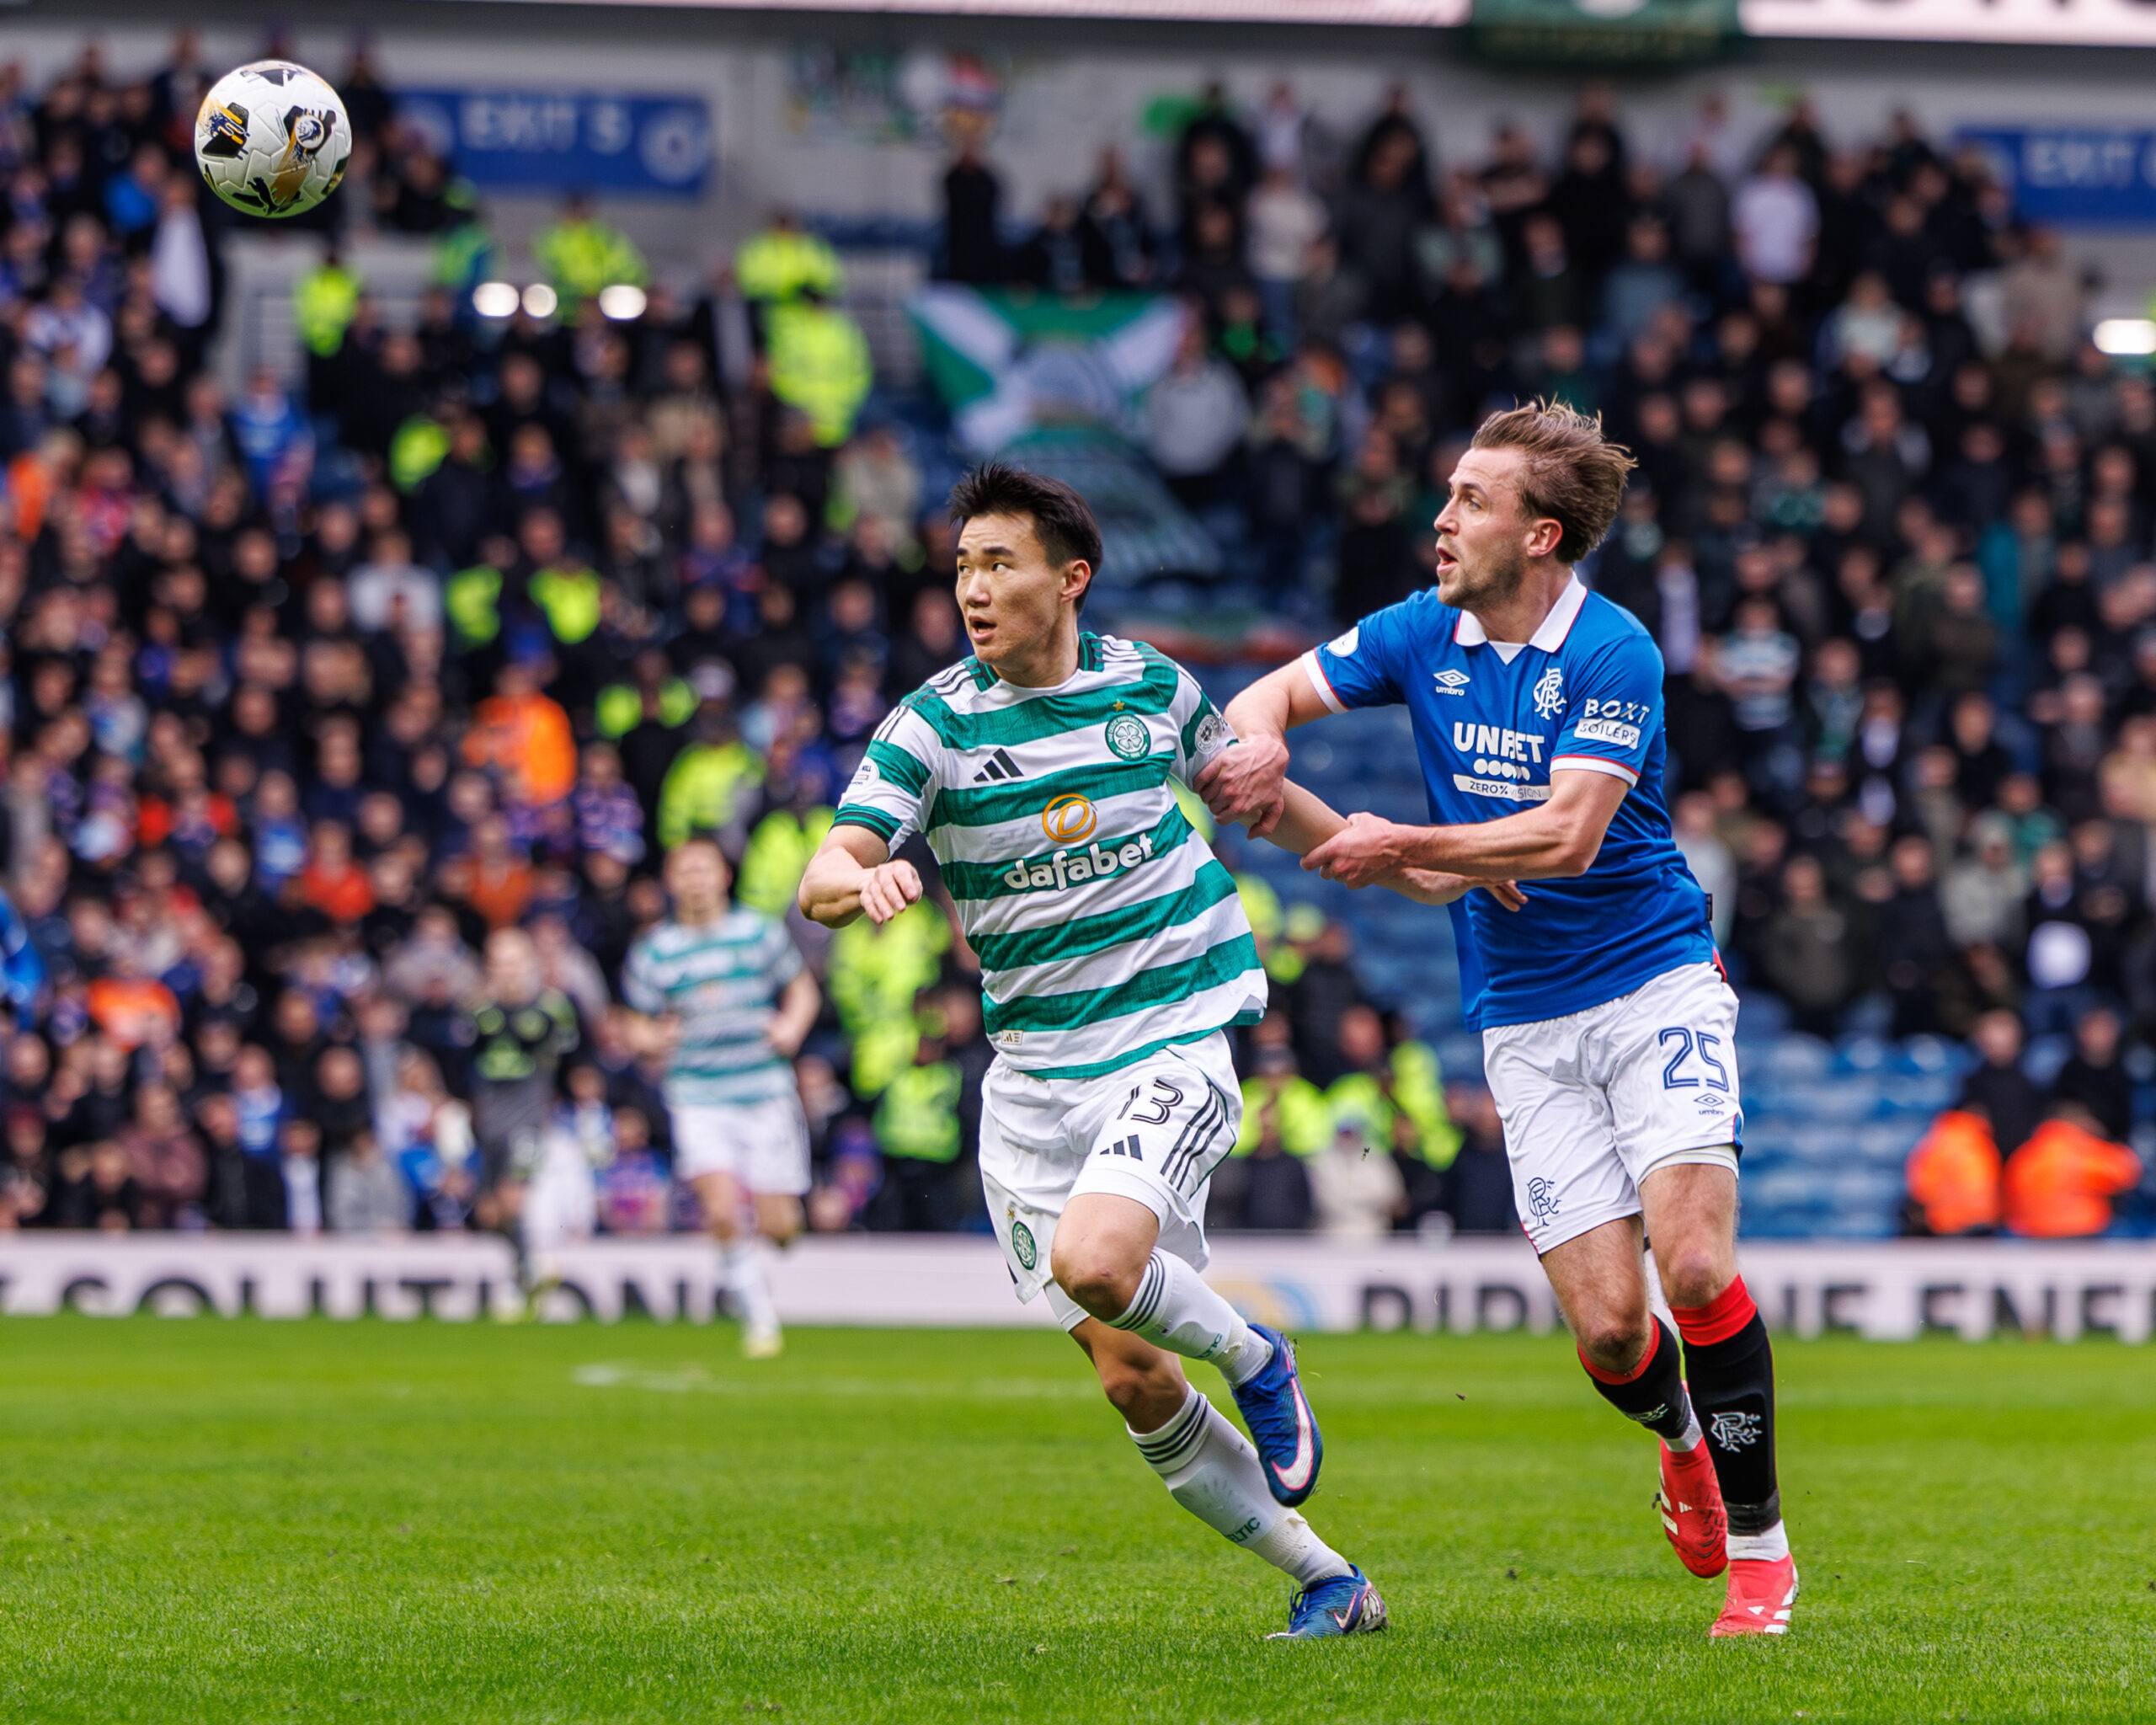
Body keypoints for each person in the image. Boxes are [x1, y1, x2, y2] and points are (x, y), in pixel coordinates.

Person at [798, 464, 1497, 1640]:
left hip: (1168, 1031)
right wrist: (861, 878)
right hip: (1031, 1082)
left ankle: (1257, 1355)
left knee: (1098, 1259)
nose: (973, 588)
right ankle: (1330, 1580)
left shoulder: (1151, 690)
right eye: (963, 564)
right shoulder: (933, 725)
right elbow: (824, 868)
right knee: (1129, 1374)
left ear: (1070, 578)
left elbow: (1254, 798)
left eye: (999, 563)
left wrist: (1403, 864)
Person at [1203, 400, 1796, 1638]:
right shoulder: (1422, 631)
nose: (1442, 517)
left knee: (1692, 1266)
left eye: (1472, 499)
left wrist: (1414, 843)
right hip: (1524, 1018)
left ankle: (1761, 1552)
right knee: (1611, 1334)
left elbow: (1572, 835)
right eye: (1450, 492)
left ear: (1541, 535)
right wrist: (1258, 751)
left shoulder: (1612, 648)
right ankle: (1679, 1439)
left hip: (1653, 981)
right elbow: (1263, 699)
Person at [622, 837, 820, 1359]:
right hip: (698, 1094)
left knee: (780, 1228)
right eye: (684, 871)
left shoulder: (757, 933)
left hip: (763, 1089)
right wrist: (649, 1038)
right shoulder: (656, 950)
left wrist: (792, 1027)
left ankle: (773, 1249)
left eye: (702, 869)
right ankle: (759, 1320)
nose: (695, 879)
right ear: (671, 882)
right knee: (724, 1212)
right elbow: (634, 1021)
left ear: (722, 877)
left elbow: (801, 989)